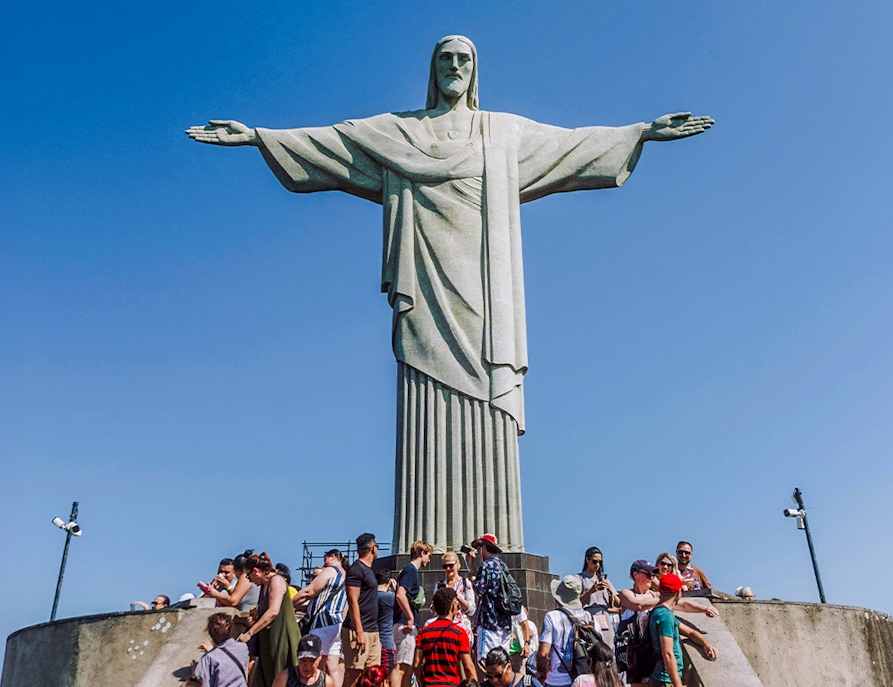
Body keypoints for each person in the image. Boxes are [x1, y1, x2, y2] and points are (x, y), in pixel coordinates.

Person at [186, 36, 713, 554]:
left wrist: (640, 131)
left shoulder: (503, 132)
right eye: (445, 59)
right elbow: (332, 142)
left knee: (488, 383)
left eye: (464, 59)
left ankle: (494, 538)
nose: (454, 66)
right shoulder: (397, 133)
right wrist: (258, 136)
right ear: (432, 69)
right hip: (425, 280)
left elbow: (571, 144)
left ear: (475, 70)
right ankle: (425, 536)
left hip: (487, 286)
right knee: (423, 386)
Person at [616, 559, 716, 686]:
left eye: (653, 574)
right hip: (631, 655)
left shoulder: (658, 599)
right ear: (635, 575)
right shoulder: (627, 593)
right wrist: (664, 596)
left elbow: (682, 604)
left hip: (650, 657)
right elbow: (639, 605)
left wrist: (704, 609)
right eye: (648, 574)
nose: (651, 577)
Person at [239, 552, 302, 687]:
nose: (251, 582)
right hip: (268, 641)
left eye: (249, 577)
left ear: (256, 571)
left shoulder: (277, 581)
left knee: (282, 677)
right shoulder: (264, 586)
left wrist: (250, 633)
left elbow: (273, 611)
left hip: (282, 638)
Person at [293, 550, 348, 687]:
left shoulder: (331, 571)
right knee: (333, 668)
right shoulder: (346, 576)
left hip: (322, 623)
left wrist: (287, 604)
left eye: (325, 559)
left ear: (332, 556)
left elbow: (308, 591)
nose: (324, 563)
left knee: (317, 666)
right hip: (337, 623)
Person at [537, 575, 596, 687]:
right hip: (586, 681)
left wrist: (540, 671)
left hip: (558, 681)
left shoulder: (552, 617)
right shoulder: (590, 618)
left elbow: (543, 654)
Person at [341, 533, 382, 687]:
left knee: (372, 676)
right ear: (373, 549)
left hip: (372, 630)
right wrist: (359, 631)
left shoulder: (368, 570)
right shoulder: (356, 570)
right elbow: (352, 601)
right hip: (358, 630)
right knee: (354, 676)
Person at [415, 587, 477, 687]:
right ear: (453, 606)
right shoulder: (459, 633)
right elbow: (468, 667)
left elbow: (416, 664)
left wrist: (423, 683)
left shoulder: (423, 632)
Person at [391, 541, 431, 687]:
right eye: (428, 555)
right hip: (405, 623)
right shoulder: (411, 570)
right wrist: (410, 617)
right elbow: (400, 594)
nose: (429, 559)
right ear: (421, 553)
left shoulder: (407, 570)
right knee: (401, 666)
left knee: (407, 667)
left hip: (402, 622)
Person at [470, 533, 514, 661]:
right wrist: (472, 566)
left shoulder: (486, 566)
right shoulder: (502, 565)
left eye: (479, 548)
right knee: (502, 663)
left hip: (489, 621)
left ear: (484, 547)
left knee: (487, 662)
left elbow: (479, 590)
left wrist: (473, 579)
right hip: (504, 622)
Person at [188, 612, 250, 687]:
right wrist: (213, 651)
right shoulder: (243, 648)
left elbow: (202, 683)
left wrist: (196, 673)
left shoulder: (208, 658)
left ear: (211, 633)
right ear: (231, 629)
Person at [577, 548, 619, 647]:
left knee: (608, 647)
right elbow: (575, 602)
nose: (597, 565)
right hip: (589, 615)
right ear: (587, 560)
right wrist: (591, 591)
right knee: (592, 647)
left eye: (600, 562)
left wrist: (610, 590)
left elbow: (618, 603)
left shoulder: (604, 579)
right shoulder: (580, 578)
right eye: (594, 561)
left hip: (605, 615)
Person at [650, 575, 687, 687]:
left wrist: (705, 643)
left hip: (659, 676)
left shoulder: (658, 612)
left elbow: (688, 631)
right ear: (678, 592)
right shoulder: (666, 616)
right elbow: (667, 654)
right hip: (665, 678)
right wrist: (677, 684)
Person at [435, 551, 476, 644]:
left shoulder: (466, 583)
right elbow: (433, 612)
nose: (448, 568)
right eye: (445, 566)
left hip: (462, 628)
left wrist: (455, 595)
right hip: (444, 630)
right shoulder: (439, 585)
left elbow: (471, 610)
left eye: (451, 565)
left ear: (458, 565)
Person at [376, 569, 397, 673]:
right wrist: (396, 590)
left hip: (371, 643)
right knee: (387, 677)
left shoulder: (368, 597)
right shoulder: (391, 598)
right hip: (386, 642)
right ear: (389, 582)